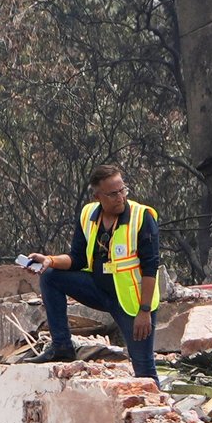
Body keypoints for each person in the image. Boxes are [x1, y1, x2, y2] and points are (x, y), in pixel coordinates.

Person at [25, 164, 162, 383]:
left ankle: (157, 410)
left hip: (132, 303)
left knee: (144, 369)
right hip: (98, 289)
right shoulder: (88, 215)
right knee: (51, 276)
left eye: (122, 190)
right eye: (113, 193)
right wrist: (49, 260)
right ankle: (61, 345)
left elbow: (150, 266)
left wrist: (145, 311)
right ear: (98, 196)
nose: (120, 197)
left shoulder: (141, 217)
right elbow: (77, 259)